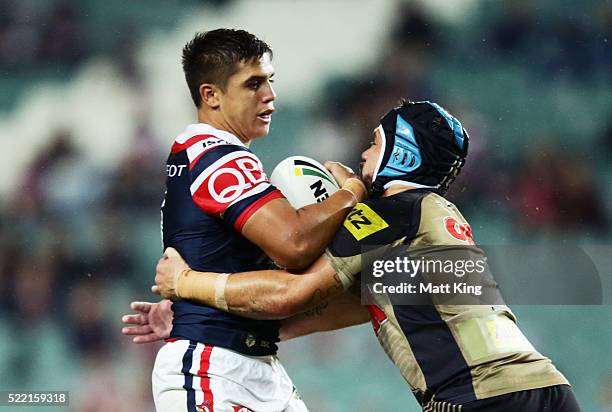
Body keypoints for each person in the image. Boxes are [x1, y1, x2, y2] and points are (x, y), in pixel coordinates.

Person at [125, 101, 581, 411]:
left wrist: (186, 284)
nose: (363, 155)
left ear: (401, 152)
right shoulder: (427, 217)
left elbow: (291, 293)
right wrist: (198, 321)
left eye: (375, 145)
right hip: (545, 389)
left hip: (481, 398)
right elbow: (323, 309)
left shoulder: (391, 215)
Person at [149, 28, 367, 412]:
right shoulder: (219, 158)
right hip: (212, 369)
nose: (270, 95)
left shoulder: (202, 156)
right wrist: (352, 193)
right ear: (210, 95)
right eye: (253, 83)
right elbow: (295, 243)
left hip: (253, 365)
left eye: (270, 80)